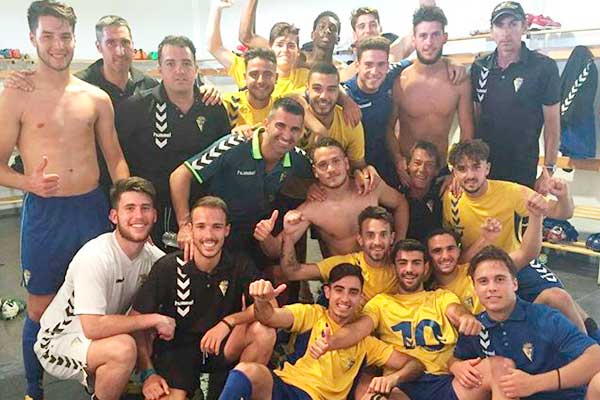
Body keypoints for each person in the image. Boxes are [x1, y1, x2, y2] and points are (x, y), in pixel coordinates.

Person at [0, 2, 130, 399]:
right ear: (32, 39)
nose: (58, 45)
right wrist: (28, 183)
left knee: (101, 304)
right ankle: (34, 390)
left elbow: (116, 158)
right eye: (48, 36)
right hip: (46, 214)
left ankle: (103, 377)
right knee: (39, 308)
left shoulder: (95, 97)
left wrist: (127, 206)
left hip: (91, 211)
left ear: (75, 39)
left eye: (65, 36)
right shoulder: (16, 95)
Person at [310, 240, 507, 400]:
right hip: (401, 385)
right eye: (403, 263)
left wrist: (466, 318)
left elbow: (456, 311)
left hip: (446, 381)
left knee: (499, 368)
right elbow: (359, 330)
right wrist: (331, 342)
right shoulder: (381, 302)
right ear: (394, 267)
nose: (409, 269)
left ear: (426, 267)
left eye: (416, 263)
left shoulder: (441, 297)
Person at [443, 139, 597, 338]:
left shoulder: (511, 191)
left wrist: (563, 196)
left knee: (560, 298)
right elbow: (455, 254)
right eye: (462, 169)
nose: (470, 175)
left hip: (517, 261)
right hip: (475, 269)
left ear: (487, 168)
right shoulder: (450, 198)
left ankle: (589, 350)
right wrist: (485, 240)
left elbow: (562, 212)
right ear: (454, 172)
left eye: (476, 167)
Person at [33, 177, 168, 400]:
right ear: (114, 216)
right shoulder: (95, 257)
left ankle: (112, 382)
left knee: (148, 333)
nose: (138, 216)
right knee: (123, 349)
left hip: (105, 334)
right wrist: (153, 319)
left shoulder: (154, 259)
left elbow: (180, 273)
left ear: (154, 215)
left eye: (145, 208)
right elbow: (93, 328)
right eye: (129, 208)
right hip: (59, 341)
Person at [130, 196, 275, 400]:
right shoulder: (168, 266)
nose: (209, 235)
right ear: (190, 230)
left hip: (222, 344)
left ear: (227, 230)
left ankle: (235, 390)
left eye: (216, 227)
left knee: (264, 332)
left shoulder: (239, 263)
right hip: (177, 349)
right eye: (201, 226)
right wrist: (148, 373)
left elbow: (270, 307)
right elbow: (137, 321)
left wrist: (229, 322)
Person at [219, 264, 424, 400]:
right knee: (249, 370)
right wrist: (261, 301)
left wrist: (392, 379)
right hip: (285, 387)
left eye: (353, 292)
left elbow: (415, 365)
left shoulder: (366, 342)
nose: (345, 298)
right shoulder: (312, 314)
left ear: (361, 297)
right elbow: (268, 317)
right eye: (339, 289)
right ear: (327, 292)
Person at [116, 35, 231, 250]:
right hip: (151, 213)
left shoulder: (213, 108)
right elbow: (118, 161)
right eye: (171, 63)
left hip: (202, 214)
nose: (179, 70)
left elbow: (225, 163)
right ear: (159, 68)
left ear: (196, 68)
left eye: (186, 63)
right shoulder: (135, 108)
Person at [170, 97, 313, 265]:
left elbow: (320, 178)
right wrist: (185, 225)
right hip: (220, 232)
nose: (287, 135)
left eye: (294, 129)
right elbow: (179, 176)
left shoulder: (298, 158)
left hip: (259, 235)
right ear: (266, 124)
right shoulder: (234, 144)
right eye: (280, 126)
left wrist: (314, 189)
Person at [452, 246, 600, 400]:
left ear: (514, 284)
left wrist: (535, 383)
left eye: (500, 279)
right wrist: (455, 366)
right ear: (475, 288)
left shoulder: (544, 318)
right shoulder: (477, 327)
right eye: (483, 281)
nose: (492, 288)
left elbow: (596, 357)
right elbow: (458, 356)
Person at [255, 137, 409, 259]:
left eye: (336, 161)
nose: (331, 170)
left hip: (383, 274)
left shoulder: (371, 186)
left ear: (347, 163)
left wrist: (398, 245)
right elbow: (275, 250)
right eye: (323, 165)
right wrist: (265, 237)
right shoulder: (310, 210)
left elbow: (401, 204)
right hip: (343, 285)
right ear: (315, 172)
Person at [471, 1, 560, 191]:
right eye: (500, 25)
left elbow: (552, 125)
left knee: (520, 220)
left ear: (524, 27)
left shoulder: (544, 67)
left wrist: (549, 170)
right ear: (492, 30)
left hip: (522, 171)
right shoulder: (479, 67)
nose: (506, 32)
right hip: (484, 172)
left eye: (513, 24)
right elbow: (475, 118)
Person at [387, 5, 474, 186]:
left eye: (435, 35)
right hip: (406, 170)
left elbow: (467, 131)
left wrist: (458, 171)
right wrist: (397, 160)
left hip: (441, 171)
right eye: (423, 36)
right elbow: (388, 128)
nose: (429, 42)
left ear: (445, 38)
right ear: (414, 40)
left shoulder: (459, 80)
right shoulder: (400, 81)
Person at [426, 189, 545, 314]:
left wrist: (536, 217)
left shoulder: (478, 269)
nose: (445, 256)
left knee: (555, 298)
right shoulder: (429, 292)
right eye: (437, 251)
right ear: (428, 256)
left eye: (450, 249)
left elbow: (526, 253)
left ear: (458, 250)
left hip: (506, 326)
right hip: (467, 332)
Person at [281, 206, 402, 303]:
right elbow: (292, 272)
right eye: (370, 235)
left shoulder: (403, 267)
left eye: (383, 235)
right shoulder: (346, 264)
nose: (377, 242)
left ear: (391, 238)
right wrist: (288, 236)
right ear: (360, 239)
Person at [302, 63, 367, 168]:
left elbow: (358, 166)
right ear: (307, 89)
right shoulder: (295, 118)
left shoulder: (349, 121)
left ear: (338, 91)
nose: (324, 96)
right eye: (317, 88)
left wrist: (365, 175)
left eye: (331, 89)